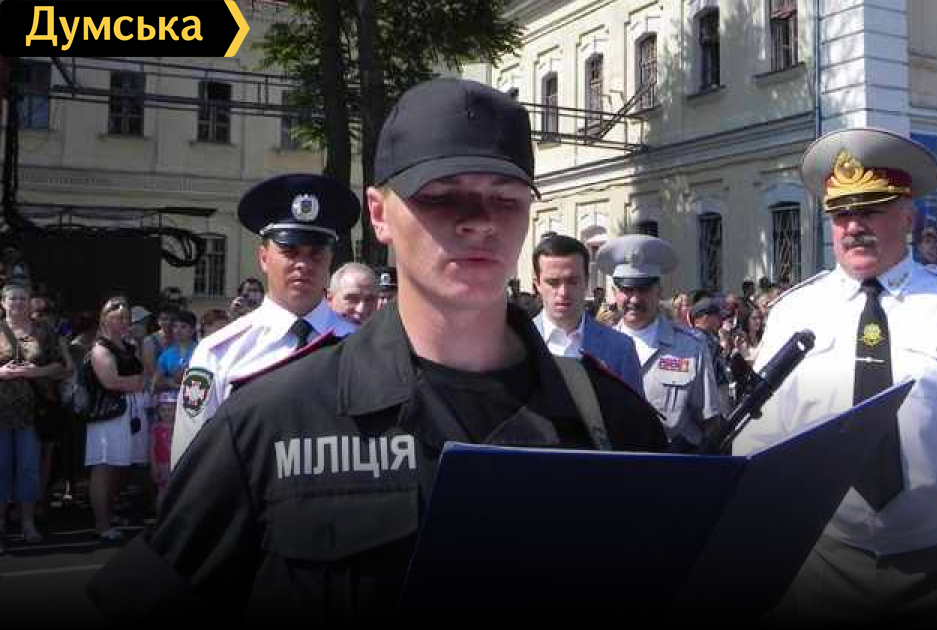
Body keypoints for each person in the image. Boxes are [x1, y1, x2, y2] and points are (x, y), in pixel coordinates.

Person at [88, 77, 666, 624]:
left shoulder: (614, 424)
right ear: (380, 213)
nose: (479, 221)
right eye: (441, 197)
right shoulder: (271, 422)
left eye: (506, 198)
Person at [734, 127, 937, 624]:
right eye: (841, 213)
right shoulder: (792, 312)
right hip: (824, 561)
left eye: (871, 209)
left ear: (907, 216)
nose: (854, 226)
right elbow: (760, 442)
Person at [169, 173, 360, 467]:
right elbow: (189, 462)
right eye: (289, 251)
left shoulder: (361, 346)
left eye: (315, 253)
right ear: (263, 257)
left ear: (330, 258)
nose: (303, 264)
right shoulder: (219, 354)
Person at [599, 234, 728, 452]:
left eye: (643, 289)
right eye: (627, 289)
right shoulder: (598, 347)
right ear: (614, 293)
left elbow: (709, 423)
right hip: (615, 465)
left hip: (671, 465)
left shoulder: (691, 347)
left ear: (659, 290)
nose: (634, 299)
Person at [0, 283, 70, 551]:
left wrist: (35, 372)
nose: (18, 303)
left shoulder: (43, 330)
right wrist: (1, 373)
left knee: (29, 469)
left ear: (29, 302)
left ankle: (28, 522)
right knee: (1, 469)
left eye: (23, 298)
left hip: (33, 413)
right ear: (3, 303)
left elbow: (61, 367)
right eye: (12, 298)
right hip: (1, 412)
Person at [531, 233, 644, 395]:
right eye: (553, 282)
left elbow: (635, 409)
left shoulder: (620, 348)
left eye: (572, 281)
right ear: (537, 284)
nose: (563, 292)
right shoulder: (515, 344)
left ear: (586, 281)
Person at [86, 298, 147, 541]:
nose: (124, 322)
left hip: (128, 411)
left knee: (118, 467)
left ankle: (109, 517)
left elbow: (144, 374)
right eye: (118, 317)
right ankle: (101, 525)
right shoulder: (101, 348)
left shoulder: (128, 345)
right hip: (108, 415)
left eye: (126, 317)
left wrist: (134, 381)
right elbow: (110, 381)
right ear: (104, 319)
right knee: (104, 467)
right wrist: (133, 383)